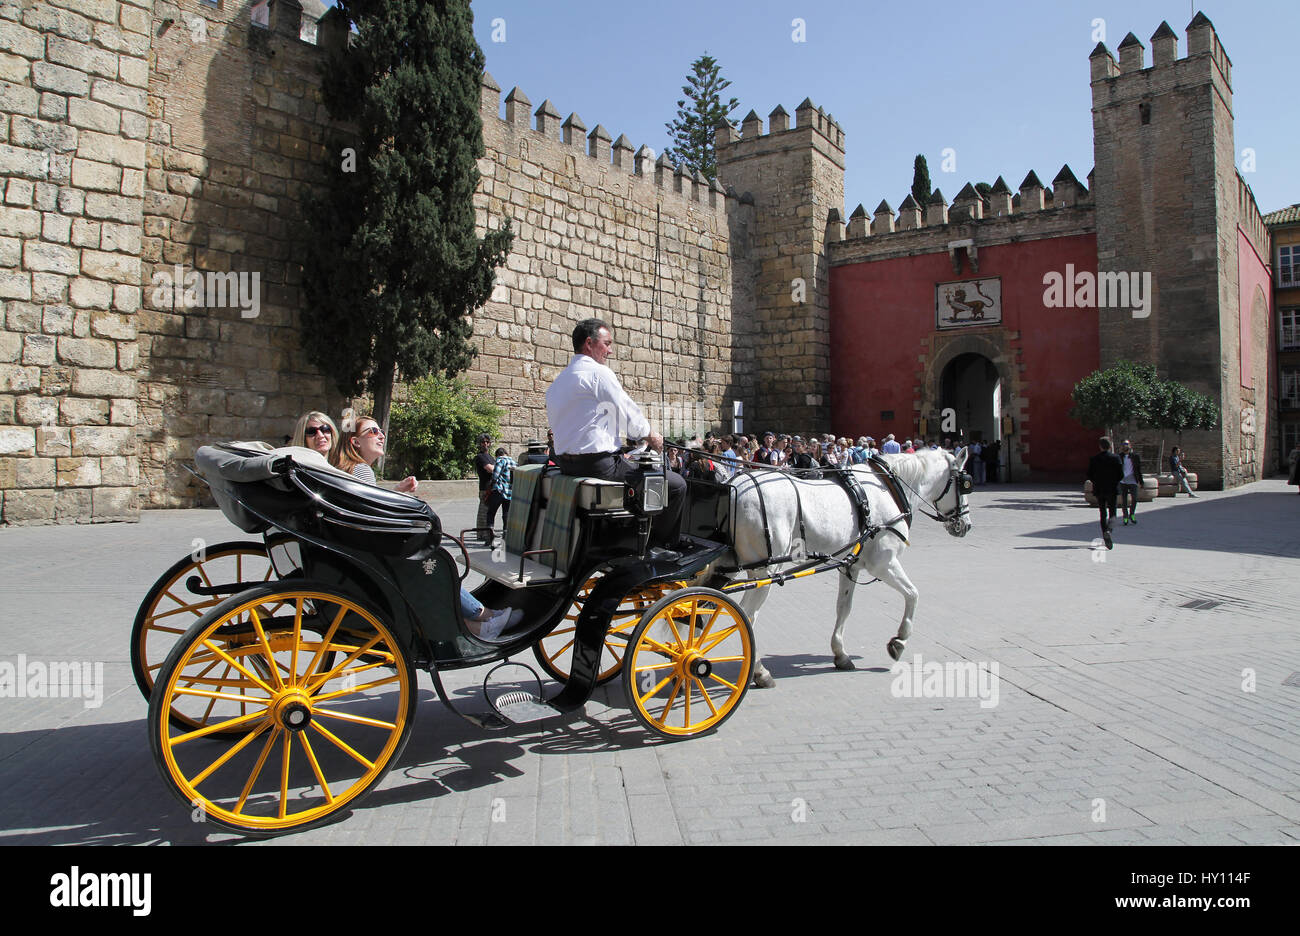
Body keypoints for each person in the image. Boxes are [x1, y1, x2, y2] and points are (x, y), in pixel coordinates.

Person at [546, 318, 686, 552]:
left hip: (567, 466)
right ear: (589, 343)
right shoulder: (598, 374)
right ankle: (660, 547)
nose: (610, 351)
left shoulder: (558, 382)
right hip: (600, 467)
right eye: (607, 344)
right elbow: (627, 413)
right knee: (676, 485)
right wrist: (651, 435)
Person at [332, 415, 418, 492]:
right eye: (374, 431)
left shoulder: (348, 469)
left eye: (382, 432)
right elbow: (374, 507)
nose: (382, 436)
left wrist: (398, 489)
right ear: (356, 441)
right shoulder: (360, 469)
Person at [1087, 437, 1123, 549]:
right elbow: (1121, 475)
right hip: (1112, 489)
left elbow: (1089, 475)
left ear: (1100, 446)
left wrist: (1097, 482)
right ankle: (1109, 531)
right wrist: (1114, 482)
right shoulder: (1116, 458)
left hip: (1099, 490)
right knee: (1113, 513)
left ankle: (1104, 533)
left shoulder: (1094, 459)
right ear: (1110, 446)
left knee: (1102, 513)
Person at [484, 446, 515, 543]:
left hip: (499, 490)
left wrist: (491, 485)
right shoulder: (514, 462)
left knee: (491, 512)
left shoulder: (500, 460)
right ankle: (506, 537)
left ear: (497, 455)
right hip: (509, 492)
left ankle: (490, 537)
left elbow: (495, 475)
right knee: (506, 514)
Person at [473, 432, 495, 540]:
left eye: (487, 442)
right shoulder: (480, 457)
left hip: (491, 487)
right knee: (483, 511)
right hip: (485, 488)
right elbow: (490, 469)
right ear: (479, 444)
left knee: (488, 511)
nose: (485, 444)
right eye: (483, 442)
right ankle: (481, 534)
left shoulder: (490, 457)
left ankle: (485, 533)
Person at [1117, 439, 1144, 524]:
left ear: (1130, 445)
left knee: (1135, 499)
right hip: (1123, 481)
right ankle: (1125, 516)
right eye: (1124, 444)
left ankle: (1132, 514)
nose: (1126, 446)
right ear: (1122, 446)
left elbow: (1138, 469)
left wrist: (1141, 481)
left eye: (1127, 444)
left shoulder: (1135, 456)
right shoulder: (1119, 456)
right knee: (1124, 500)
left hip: (1133, 480)